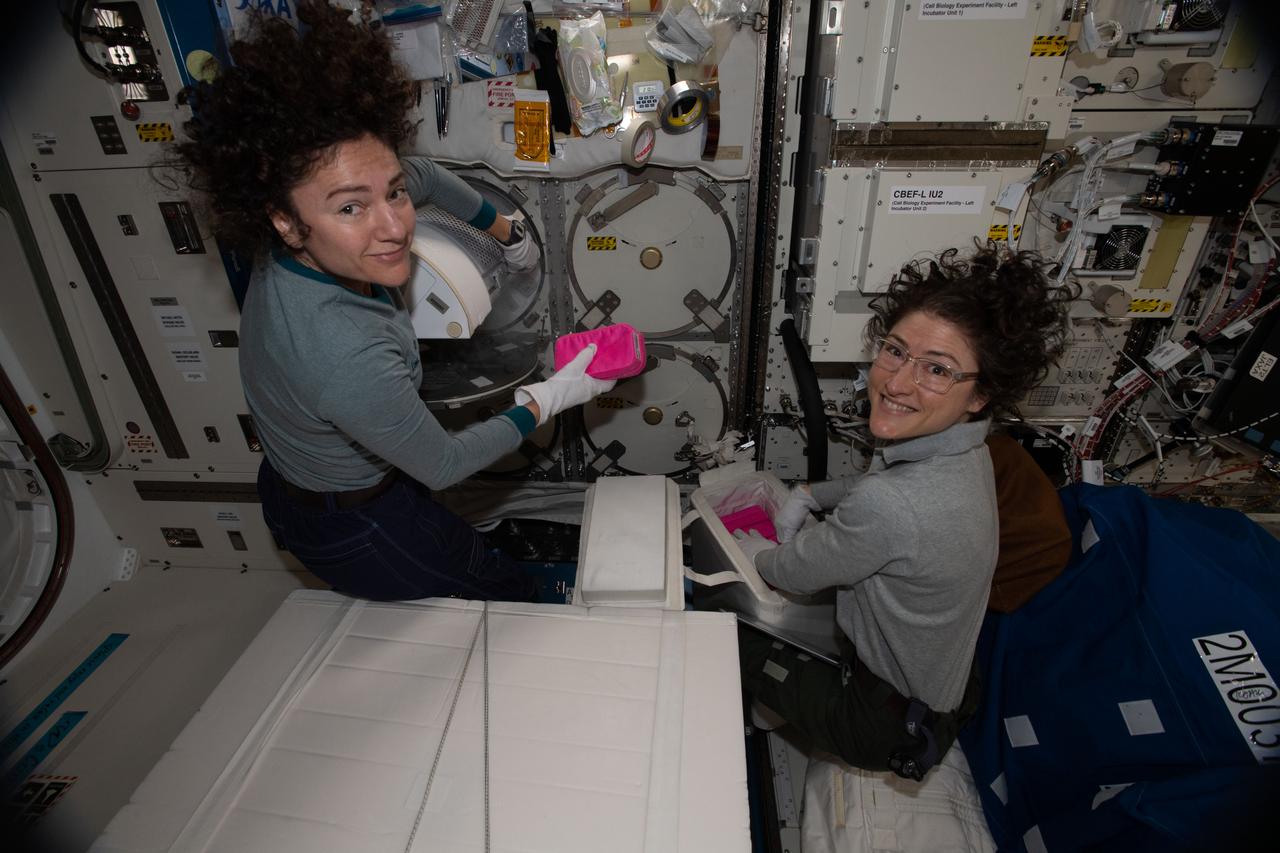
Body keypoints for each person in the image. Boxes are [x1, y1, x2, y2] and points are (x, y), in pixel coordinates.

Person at [170, 1, 613, 601]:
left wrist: (503, 228)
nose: (394, 226)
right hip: (356, 527)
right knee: (493, 585)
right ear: (283, 221)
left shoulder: (292, 234)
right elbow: (445, 465)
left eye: (392, 195)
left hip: (310, 480)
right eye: (352, 207)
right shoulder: (340, 351)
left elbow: (423, 175)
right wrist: (549, 397)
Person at [734, 245, 1075, 777]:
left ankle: (781, 699)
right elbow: (886, 486)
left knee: (722, 625)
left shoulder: (891, 505)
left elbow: (794, 572)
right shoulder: (974, 452)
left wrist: (751, 554)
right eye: (895, 351)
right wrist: (809, 493)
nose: (896, 383)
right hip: (947, 682)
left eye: (937, 369)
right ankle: (789, 695)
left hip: (884, 721)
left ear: (980, 394)